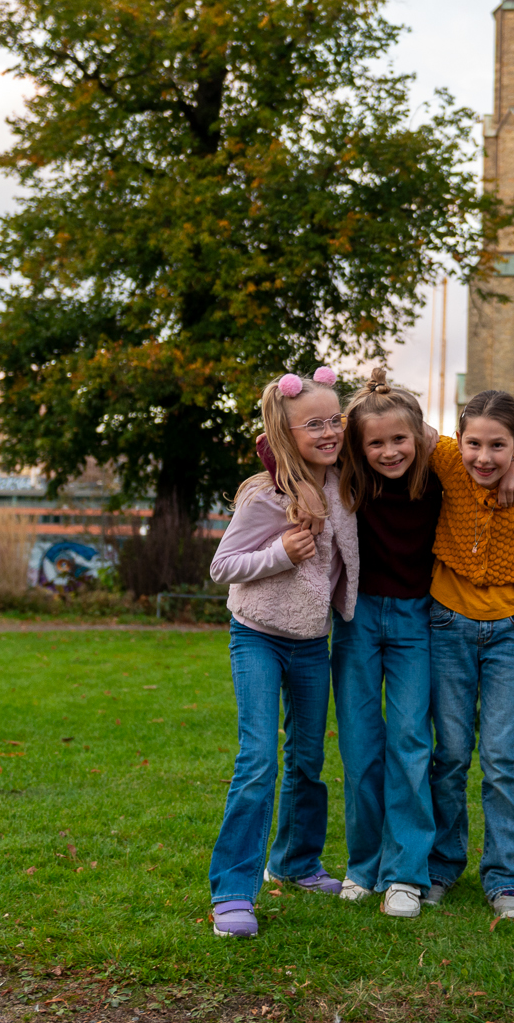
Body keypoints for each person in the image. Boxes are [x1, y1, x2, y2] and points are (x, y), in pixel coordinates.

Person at [327, 367, 514, 919]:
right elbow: (277, 449)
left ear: (421, 436)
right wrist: (345, 415)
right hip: (358, 617)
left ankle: (405, 873)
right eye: (375, 442)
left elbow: (501, 451)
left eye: (399, 439)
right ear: (356, 445)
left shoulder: (441, 474)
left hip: (419, 619)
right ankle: (364, 865)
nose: (390, 451)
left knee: (411, 742)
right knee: (362, 746)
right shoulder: (349, 474)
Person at [205, 368, 358, 938]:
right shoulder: (263, 495)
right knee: (258, 762)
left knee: (308, 761)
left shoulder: (345, 486)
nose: (327, 431)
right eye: (312, 423)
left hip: (312, 642)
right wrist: (279, 552)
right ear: (285, 431)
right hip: (258, 636)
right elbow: (222, 567)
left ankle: (295, 863)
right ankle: (232, 892)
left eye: (334, 420)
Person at [425, 389, 514, 921]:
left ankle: (505, 876)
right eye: (474, 444)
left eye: (499, 447)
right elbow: (394, 425)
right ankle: (442, 865)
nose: (483, 457)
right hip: (448, 622)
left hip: (510, 630)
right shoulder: (446, 462)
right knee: (452, 753)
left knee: (501, 757)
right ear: (458, 440)